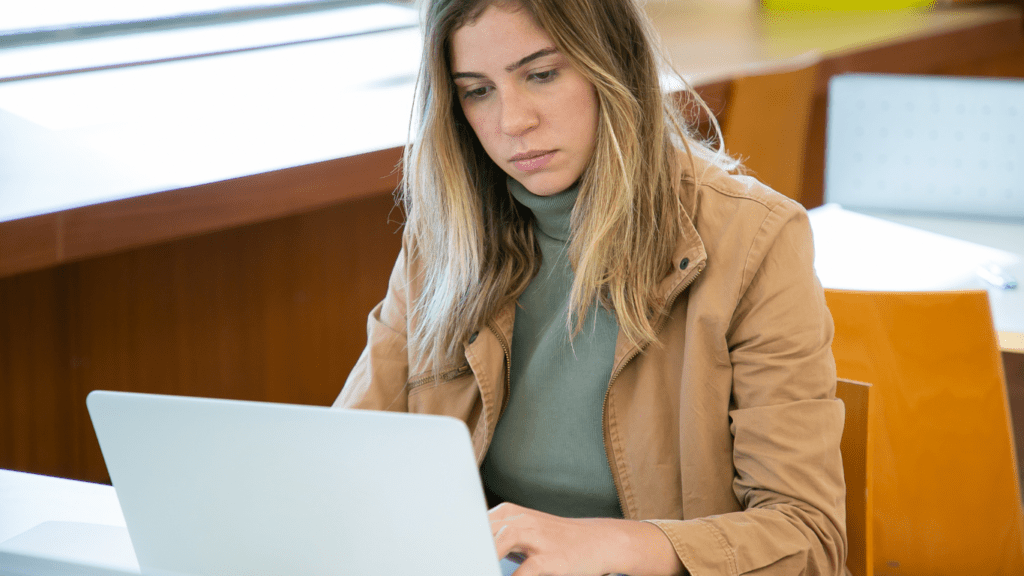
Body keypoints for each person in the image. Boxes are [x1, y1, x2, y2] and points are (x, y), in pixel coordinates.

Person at [334, 0, 846, 574]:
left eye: (542, 74)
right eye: (477, 90)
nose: (512, 122)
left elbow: (809, 541)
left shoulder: (756, 238)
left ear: (614, 64)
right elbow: (347, 457)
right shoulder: (444, 235)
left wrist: (612, 545)